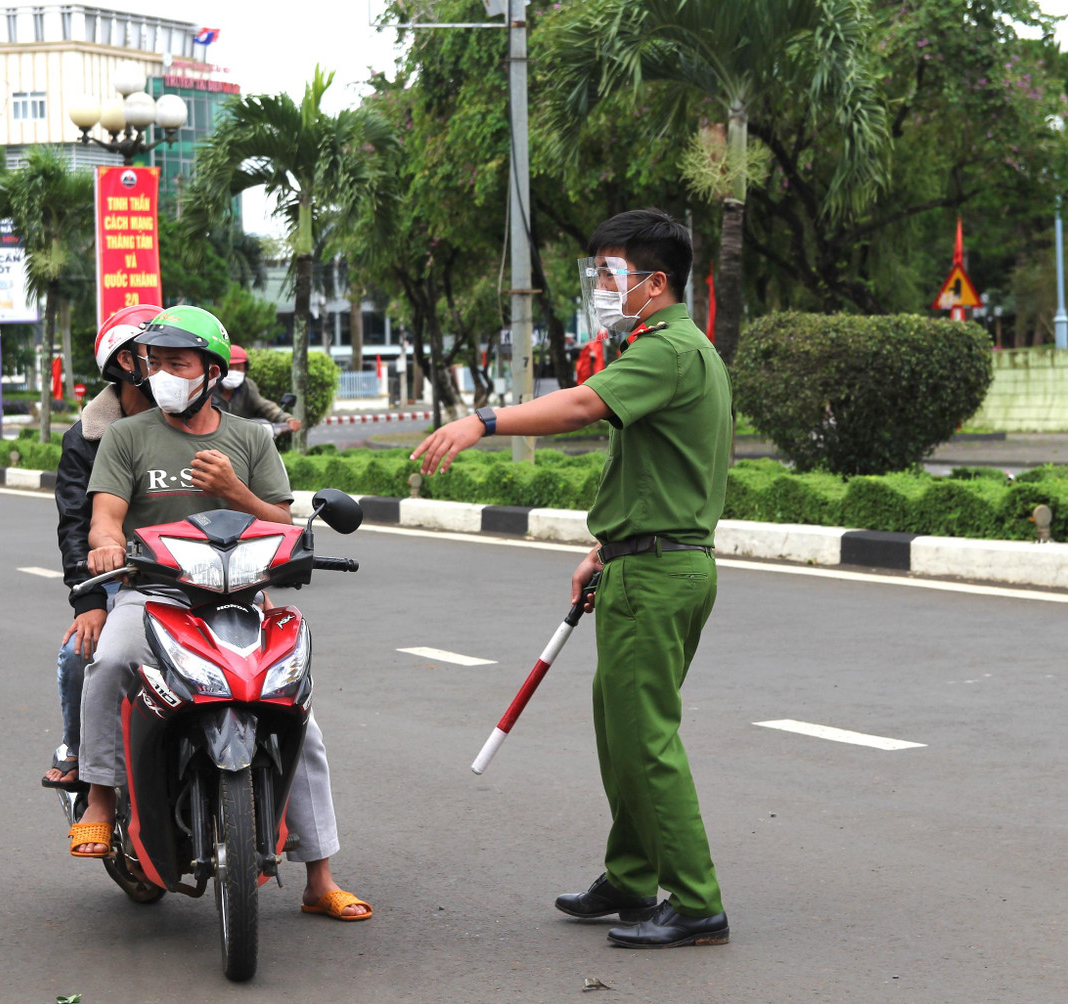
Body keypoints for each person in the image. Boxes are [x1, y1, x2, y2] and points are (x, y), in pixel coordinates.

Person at [412, 209, 731, 949]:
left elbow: (583, 406)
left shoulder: (669, 350)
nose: (600, 287)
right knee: (622, 734)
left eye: (611, 274)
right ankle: (630, 877)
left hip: (658, 573)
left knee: (646, 740)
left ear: (656, 283)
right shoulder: (675, 349)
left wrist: (484, 422)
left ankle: (696, 901)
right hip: (645, 560)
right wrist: (604, 547)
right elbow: (650, 468)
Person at [70, 304, 371, 921]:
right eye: (156, 364)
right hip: (154, 594)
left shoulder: (251, 438)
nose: (163, 376)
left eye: (178, 364)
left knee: (300, 726)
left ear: (211, 371)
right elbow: (105, 515)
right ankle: (100, 797)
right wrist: (105, 542)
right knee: (110, 660)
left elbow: (283, 523)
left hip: (239, 598)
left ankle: (319, 878)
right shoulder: (127, 436)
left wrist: (236, 492)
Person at [42, 304, 161, 789]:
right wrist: (90, 600)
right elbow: (76, 524)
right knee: (79, 652)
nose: (170, 366)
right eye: (155, 355)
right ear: (123, 365)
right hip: (121, 579)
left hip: (199, 575)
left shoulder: (199, 422)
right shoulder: (87, 437)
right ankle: (77, 749)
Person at [213, 344, 301, 431]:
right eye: (230, 368)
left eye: (239, 368)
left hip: (242, 438)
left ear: (245, 370)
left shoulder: (248, 386)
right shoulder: (209, 386)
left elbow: (262, 405)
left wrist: (286, 418)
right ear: (220, 368)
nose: (234, 372)